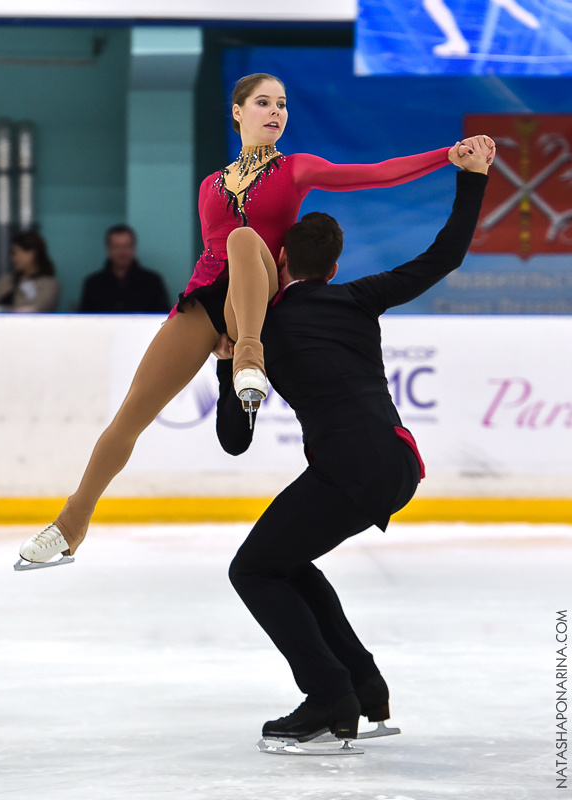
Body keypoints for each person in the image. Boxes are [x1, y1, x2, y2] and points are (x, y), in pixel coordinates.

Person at [16, 71, 488, 567]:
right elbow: (208, 257)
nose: (276, 112)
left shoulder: (297, 168)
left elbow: (377, 173)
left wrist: (447, 156)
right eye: (263, 103)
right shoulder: (209, 186)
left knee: (244, 239)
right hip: (207, 297)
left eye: (282, 104)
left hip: (260, 285)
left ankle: (248, 356)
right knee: (131, 415)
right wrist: (205, 318)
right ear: (238, 111)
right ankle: (72, 524)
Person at [213, 136, 492, 747]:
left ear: (279, 260)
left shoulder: (268, 329)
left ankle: (328, 695)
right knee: (286, 564)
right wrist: (472, 178)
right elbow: (443, 256)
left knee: (253, 571)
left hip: (347, 468)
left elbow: (235, 440)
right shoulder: (361, 298)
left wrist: (229, 357)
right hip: (397, 460)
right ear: (336, 267)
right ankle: (362, 686)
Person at [78, 225, 171, 313]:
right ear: (108, 248)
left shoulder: (152, 282)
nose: (122, 252)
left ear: (134, 247)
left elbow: (162, 319)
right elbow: (85, 319)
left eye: (127, 246)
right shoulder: (93, 284)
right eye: (117, 246)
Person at [0, 230, 59, 313]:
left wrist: (0, 310)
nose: (13, 258)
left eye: (16, 253)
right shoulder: (6, 281)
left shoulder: (49, 285)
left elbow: (34, 310)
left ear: (31, 253)